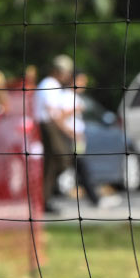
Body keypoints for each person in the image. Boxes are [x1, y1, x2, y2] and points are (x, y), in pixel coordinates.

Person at [34, 53, 103, 209]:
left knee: (55, 163)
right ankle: (44, 196)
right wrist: (67, 130)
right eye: (65, 72)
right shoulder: (49, 84)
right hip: (48, 126)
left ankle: (45, 198)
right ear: (58, 71)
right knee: (61, 159)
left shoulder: (51, 85)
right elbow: (53, 114)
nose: (67, 75)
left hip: (50, 126)